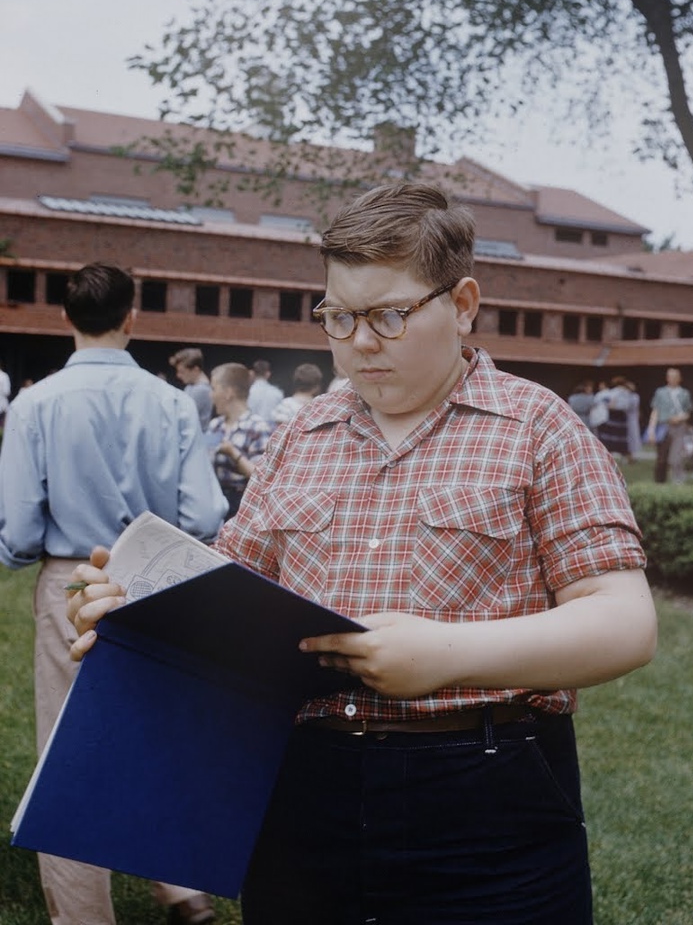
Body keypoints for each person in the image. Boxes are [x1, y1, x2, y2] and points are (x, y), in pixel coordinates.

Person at [68, 186, 656, 925]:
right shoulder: (299, 435)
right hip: (298, 790)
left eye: (388, 315)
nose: (360, 343)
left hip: (488, 795)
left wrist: (447, 653)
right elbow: (231, 593)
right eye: (338, 317)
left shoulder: (538, 428)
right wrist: (134, 609)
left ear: (463, 302)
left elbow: (623, 623)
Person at [0, 263, 227, 925]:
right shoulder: (171, 401)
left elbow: (15, 526)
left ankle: (84, 916)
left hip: (73, 576)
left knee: (69, 756)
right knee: (153, 733)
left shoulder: (37, 404)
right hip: (156, 573)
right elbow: (205, 513)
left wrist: (22, 551)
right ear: (133, 317)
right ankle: (179, 885)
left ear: (65, 317)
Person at [207, 362, 272, 519]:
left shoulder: (257, 426)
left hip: (241, 505)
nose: (210, 395)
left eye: (214, 388)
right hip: (213, 500)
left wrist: (232, 453)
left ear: (228, 392)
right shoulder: (215, 425)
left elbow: (261, 476)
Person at [646, 366, 693, 483]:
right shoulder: (660, 392)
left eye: (675, 376)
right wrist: (651, 430)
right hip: (663, 426)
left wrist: (680, 417)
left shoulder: (684, 393)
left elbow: (688, 412)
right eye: (670, 376)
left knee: (676, 457)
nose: (672, 379)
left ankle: (678, 481)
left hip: (679, 427)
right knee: (661, 458)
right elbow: (655, 411)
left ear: (679, 378)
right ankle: (659, 482)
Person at [168, 347, 213, 432]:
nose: (178, 375)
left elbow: (181, 416)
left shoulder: (202, 390)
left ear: (195, 369)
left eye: (182, 372)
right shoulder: (190, 386)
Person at [596, 375, 633, 460]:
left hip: (614, 414)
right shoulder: (627, 393)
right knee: (621, 436)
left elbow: (607, 402)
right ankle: (624, 455)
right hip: (622, 415)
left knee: (611, 435)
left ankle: (610, 453)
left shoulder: (612, 392)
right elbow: (628, 405)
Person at [247, 358, 284, 423]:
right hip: (271, 431)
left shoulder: (247, 392)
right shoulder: (277, 393)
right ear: (268, 374)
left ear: (253, 373)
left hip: (251, 430)